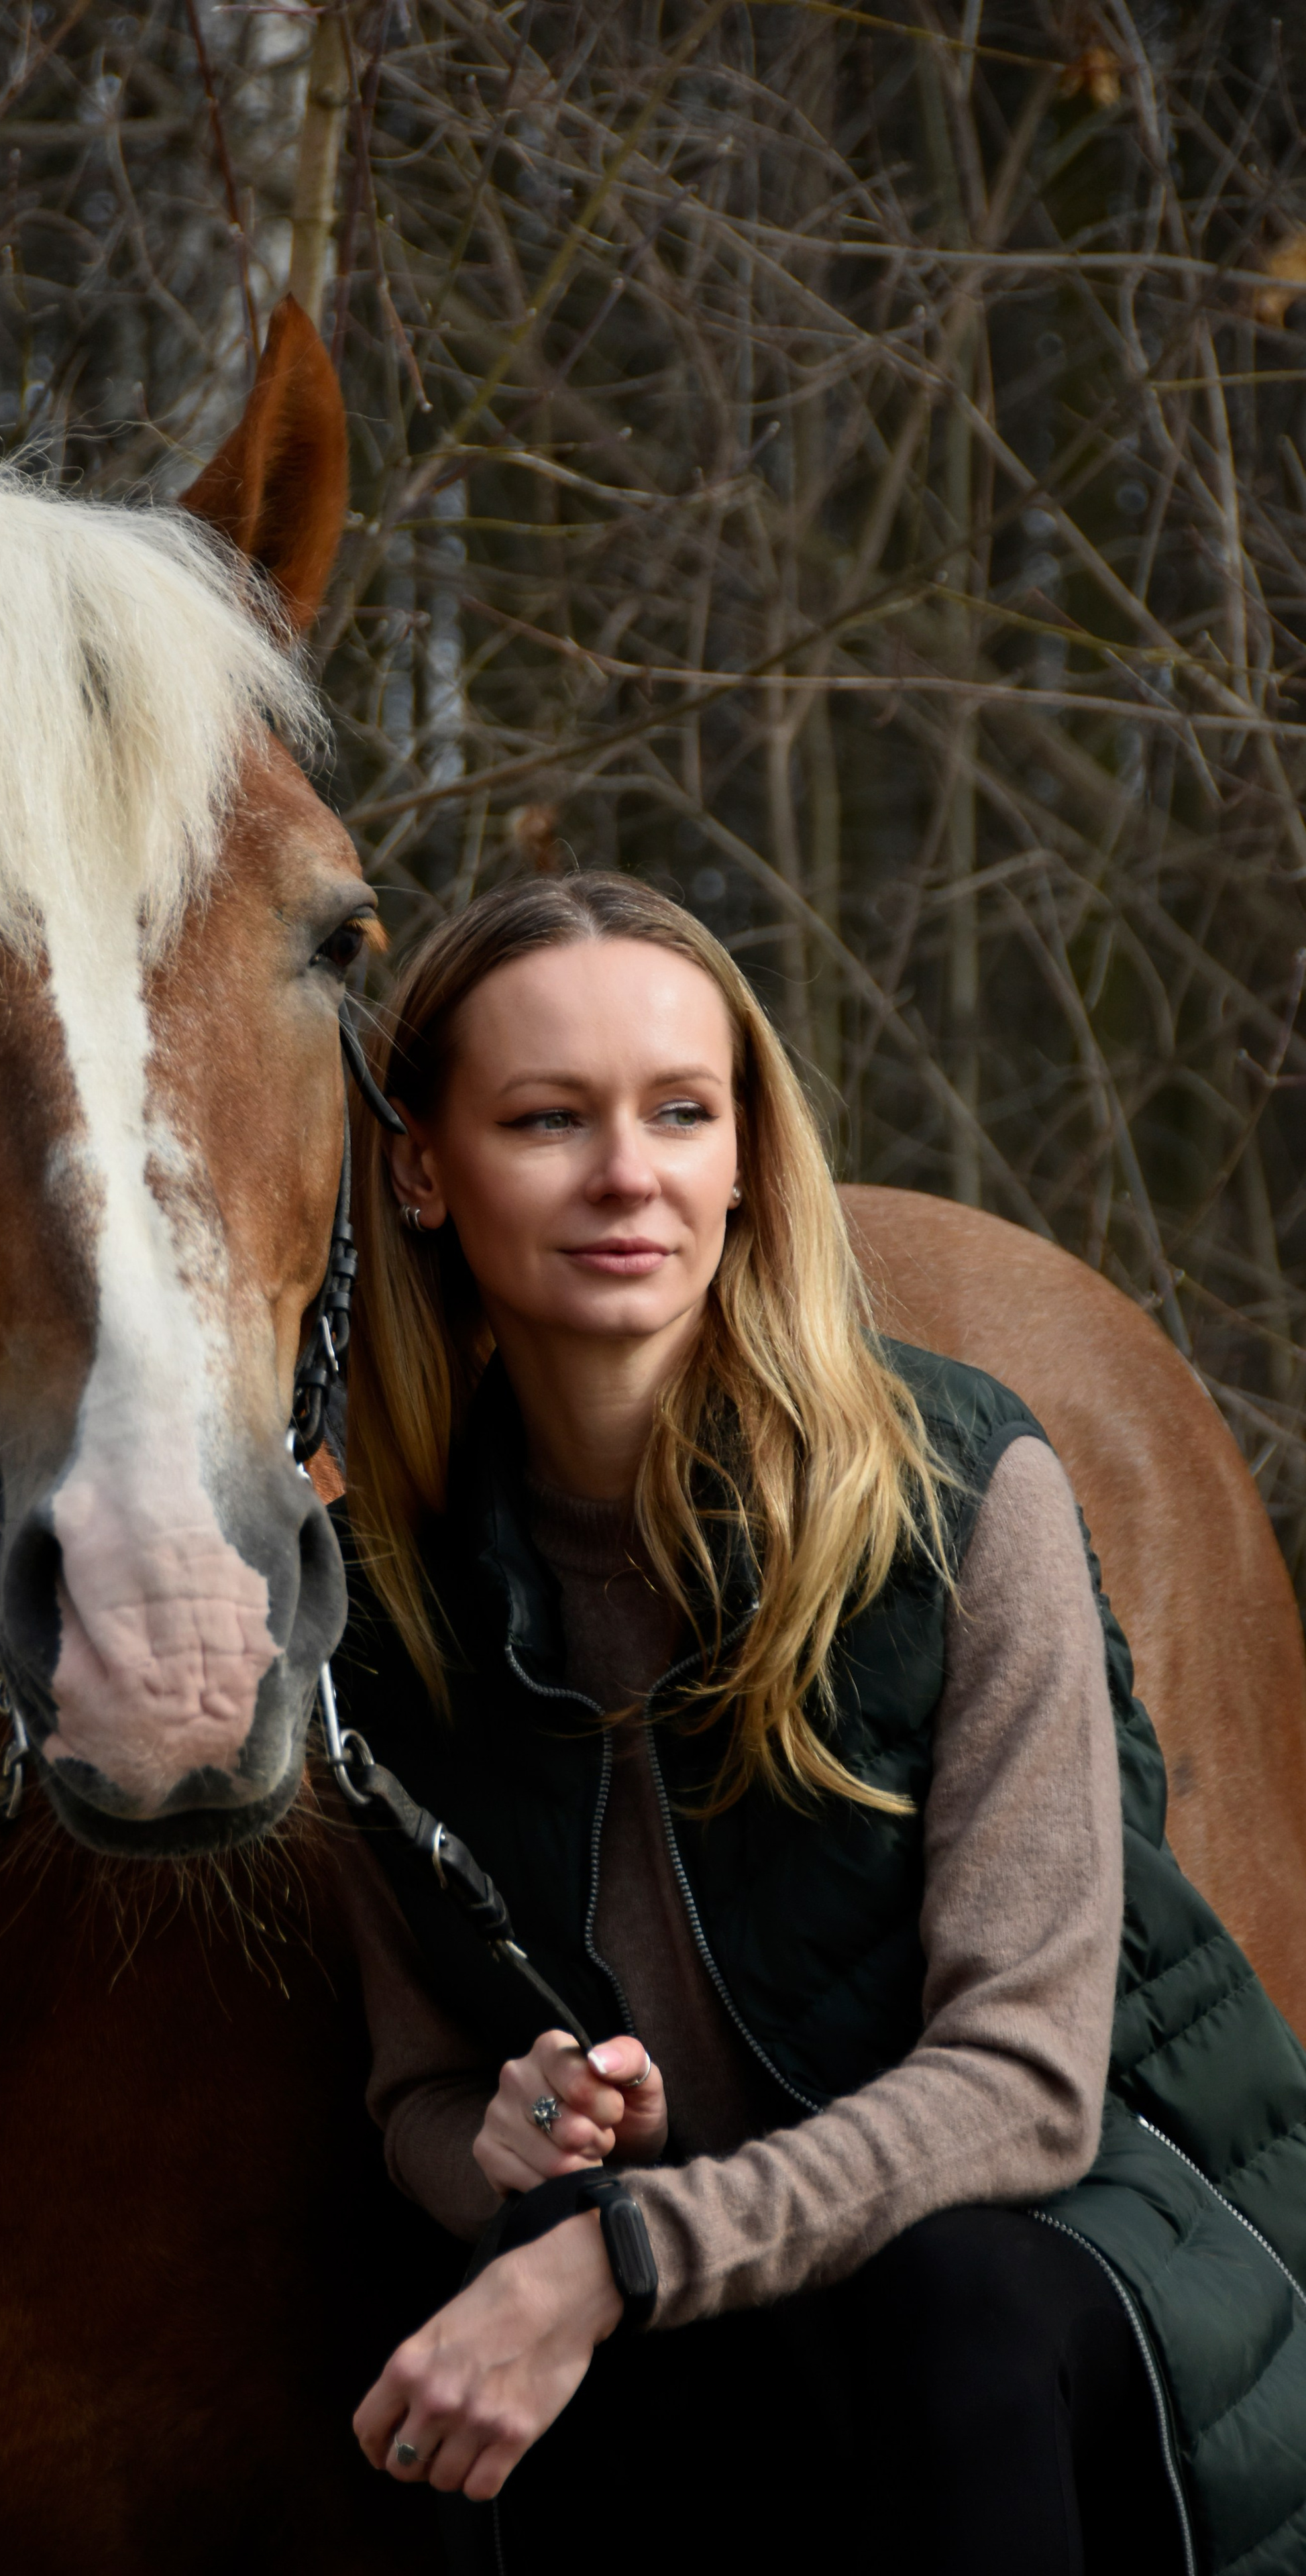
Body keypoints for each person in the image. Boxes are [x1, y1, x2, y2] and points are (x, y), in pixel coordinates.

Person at [323, 872, 1306, 2576]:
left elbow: (1021, 2085)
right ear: (421, 1168)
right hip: (718, 2301)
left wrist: (621, 2251)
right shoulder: (380, 1615)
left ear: (742, 1156)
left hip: (1068, 2258)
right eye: (547, 1119)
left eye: (678, 1113)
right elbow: (414, 2086)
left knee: (942, 2295)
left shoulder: (953, 1492)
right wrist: (519, 2146)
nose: (626, 1174)